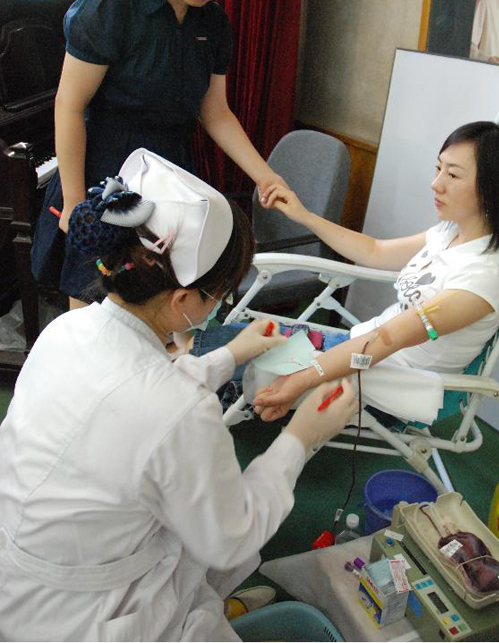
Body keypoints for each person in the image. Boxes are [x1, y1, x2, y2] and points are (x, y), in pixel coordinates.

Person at [0, 149, 356, 642]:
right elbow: (231, 534)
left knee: (184, 520)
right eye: (219, 296)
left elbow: (135, 394)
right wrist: (302, 436)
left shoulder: (67, 330)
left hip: (20, 572)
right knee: (208, 542)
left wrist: (232, 353)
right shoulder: (176, 408)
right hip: (85, 617)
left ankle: (212, 602)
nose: (219, 306)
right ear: (183, 299)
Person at [32, 0, 285, 309]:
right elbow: (70, 106)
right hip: (104, 173)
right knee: (95, 310)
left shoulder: (213, 25)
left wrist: (266, 176)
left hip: (170, 173)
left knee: (162, 304)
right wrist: (75, 204)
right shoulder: (111, 8)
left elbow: (215, 112)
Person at [242, 121, 499, 424]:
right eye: (438, 168)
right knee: (240, 343)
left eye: (453, 175)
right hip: (356, 351)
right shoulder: (448, 233)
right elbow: (375, 251)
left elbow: (389, 339)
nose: (436, 184)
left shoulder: (484, 278)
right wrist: (305, 216)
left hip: (385, 386)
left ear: (492, 189)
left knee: (234, 360)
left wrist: (303, 378)